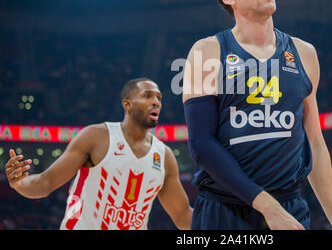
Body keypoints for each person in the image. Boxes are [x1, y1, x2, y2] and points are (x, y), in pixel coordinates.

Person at [182, 0, 332, 230]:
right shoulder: (207, 51)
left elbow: (315, 144)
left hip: (290, 206)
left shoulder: (304, 53)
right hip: (223, 211)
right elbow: (201, 146)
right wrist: (267, 207)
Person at [5, 78, 193, 230]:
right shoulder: (97, 137)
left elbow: (183, 215)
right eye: (148, 96)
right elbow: (45, 183)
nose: (156, 102)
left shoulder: (164, 156)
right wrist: (20, 184)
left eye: (159, 98)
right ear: (127, 104)